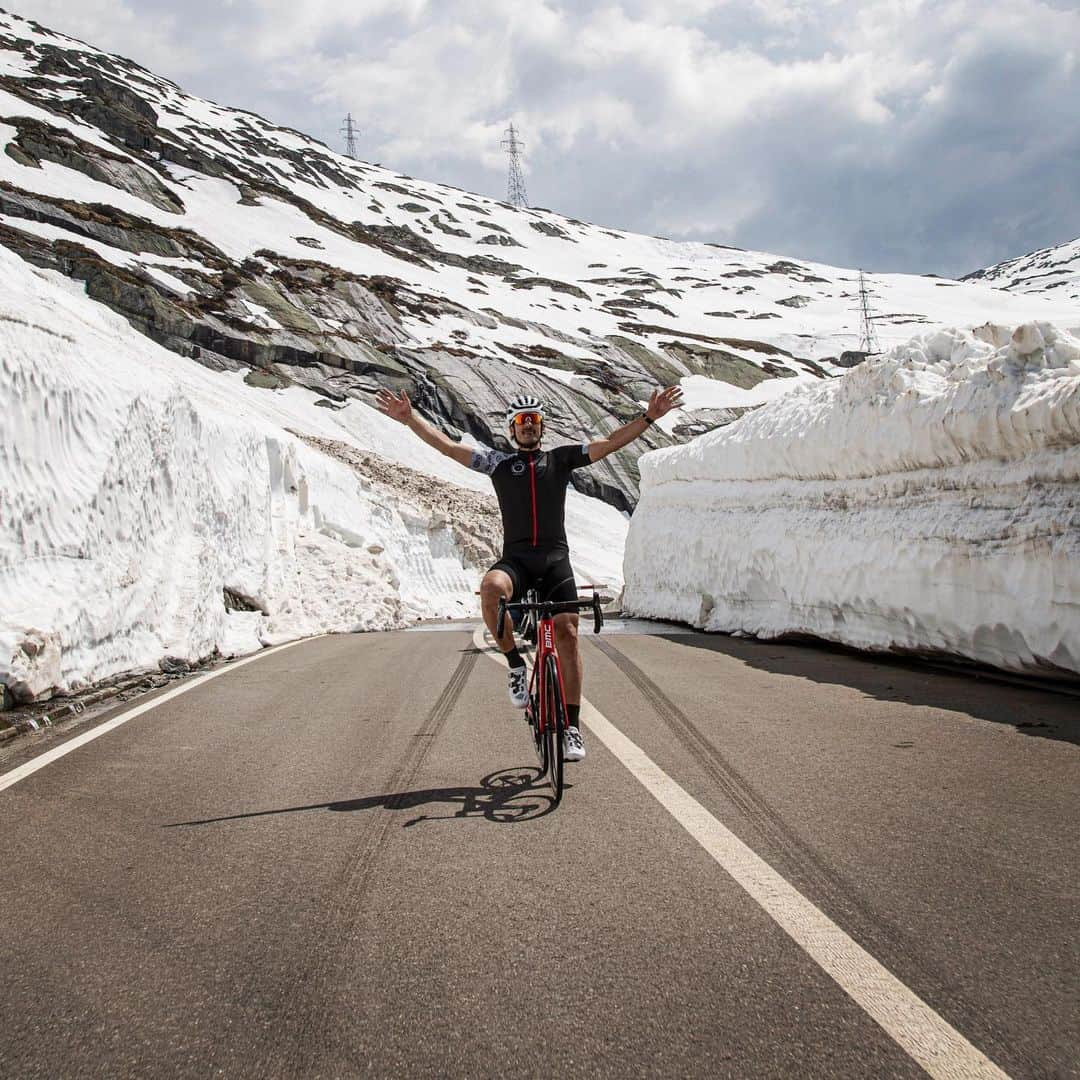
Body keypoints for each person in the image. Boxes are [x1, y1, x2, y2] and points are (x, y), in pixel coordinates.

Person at [375, 385, 684, 761]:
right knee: (491, 588)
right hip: (517, 562)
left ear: (542, 427)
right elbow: (447, 447)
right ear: (511, 428)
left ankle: (572, 727)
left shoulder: (560, 461)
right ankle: (516, 665)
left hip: (555, 562)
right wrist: (411, 420)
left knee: (568, 635)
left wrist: (650, 417)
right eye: (521, 421)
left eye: (534, 420)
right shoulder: (497, 464)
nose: (528, 426)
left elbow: (609, 443)